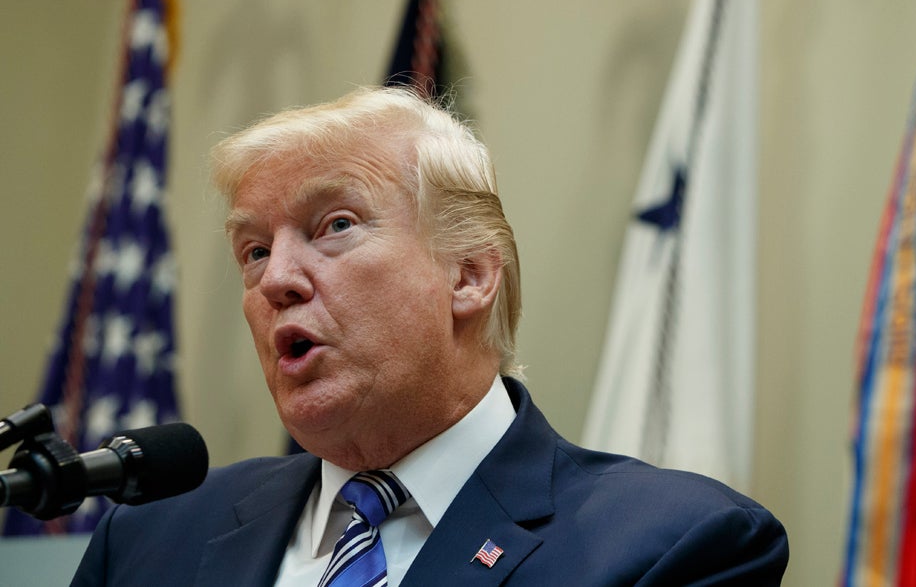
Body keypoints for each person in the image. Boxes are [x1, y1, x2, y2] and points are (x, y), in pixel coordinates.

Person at [70, 86, 788, 585]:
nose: (275, 278)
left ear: (470, 276)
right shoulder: (147, 538)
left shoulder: (674, 545)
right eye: (254, 249)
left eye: (335, 226)